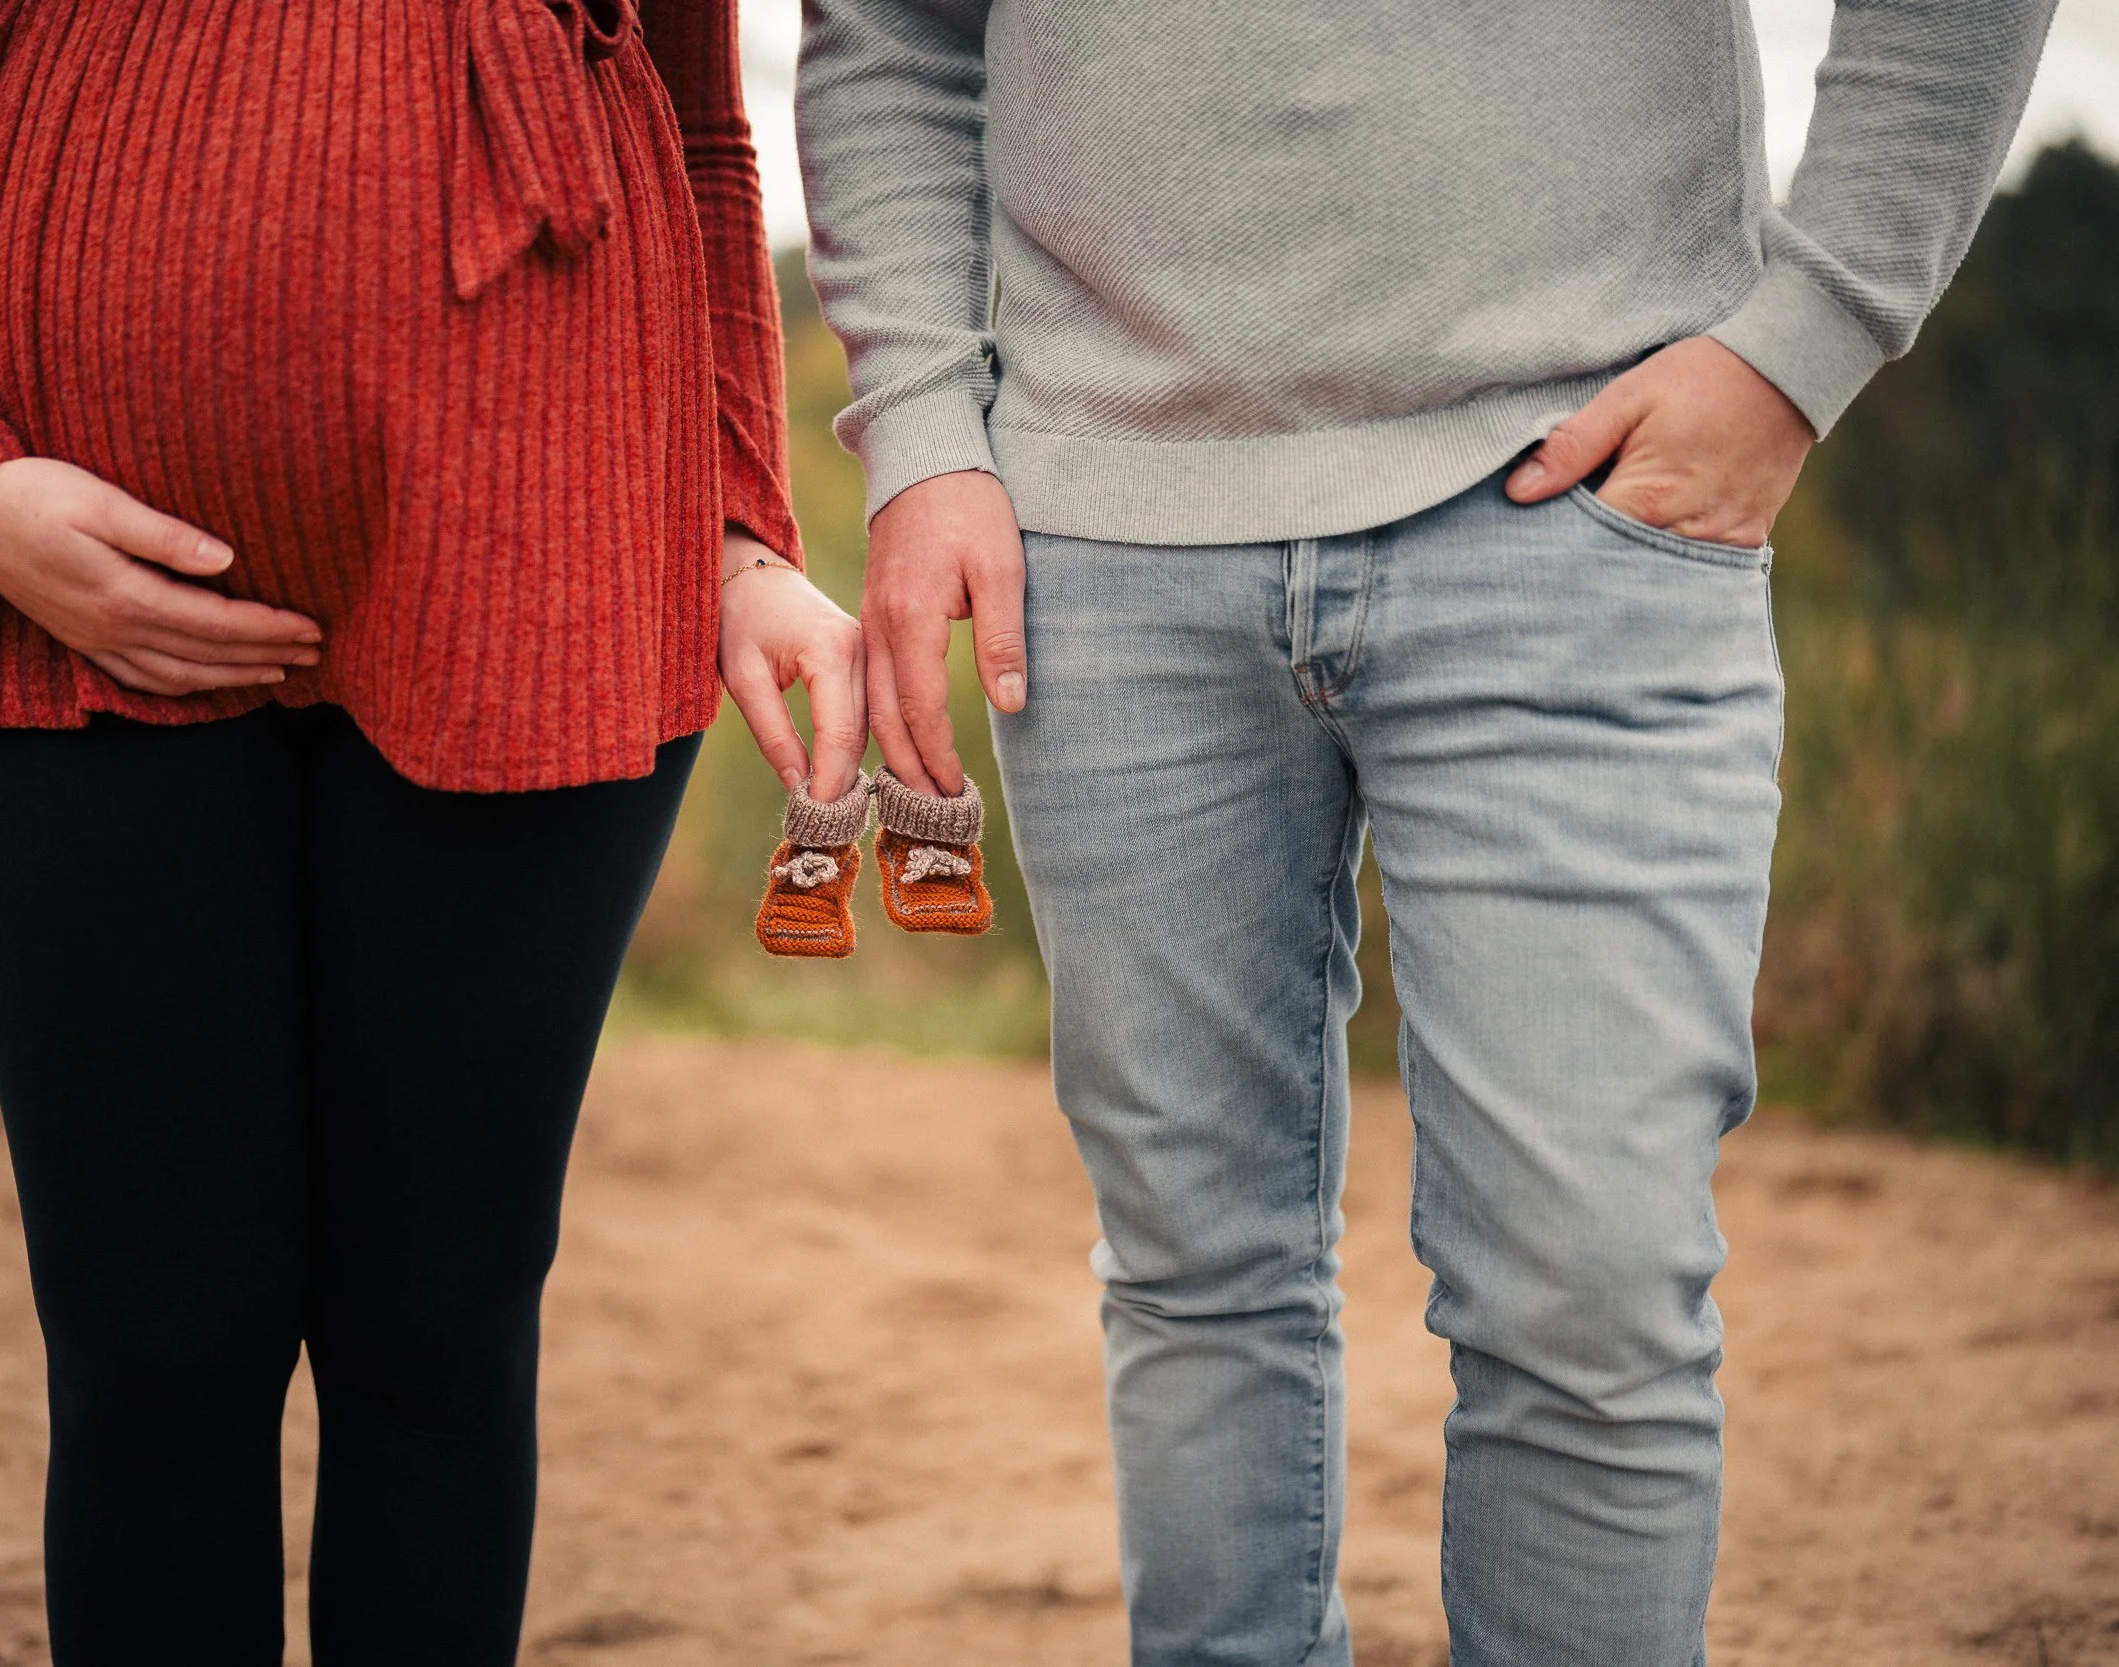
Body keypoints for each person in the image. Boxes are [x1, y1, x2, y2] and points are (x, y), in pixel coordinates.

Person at [795, 3, 2054, 1662]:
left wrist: (1810, 331)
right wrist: (920, 431)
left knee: (1585, 1300)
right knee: (1193, 1282)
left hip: (1584, 508)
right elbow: (886, 27)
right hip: (1102, 535)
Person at [0, 0, 866, 1660]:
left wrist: (744, 526)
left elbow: (694, 128)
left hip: (540, 550)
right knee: (155, 1343)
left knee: (440, 1342)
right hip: (51, 600)